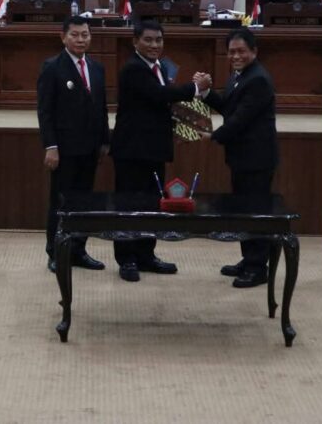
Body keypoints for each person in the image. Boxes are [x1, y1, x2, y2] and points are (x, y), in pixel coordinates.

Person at [109, 21, 208, 282]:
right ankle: (127, 259)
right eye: (149, 40)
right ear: (135, 42)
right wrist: (195, 88)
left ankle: (146, 255)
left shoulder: (160, 67)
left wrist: (186, 127)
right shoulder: (133, 68)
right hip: (131, 151)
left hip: (153, 149)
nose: (155, 45)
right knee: (128, 207)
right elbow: (160, 95)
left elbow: (163, 105)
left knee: (152, 204)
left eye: (159, 40)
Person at [201, 28, 278, 288]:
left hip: (257, 159)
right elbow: (228, 107)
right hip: (242, 157)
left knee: (255, 212)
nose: (235, 56)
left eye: (241, 51)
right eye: (231, 52)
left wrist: (212, 136)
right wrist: (206, 93)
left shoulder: (258, 79)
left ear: (254, 51)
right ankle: (249, 259)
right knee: (244, 211)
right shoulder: (239, 75)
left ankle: (258, 267)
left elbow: (240, 120)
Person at [37, 15, 109, 273]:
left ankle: (78, 250)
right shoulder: (52, 67)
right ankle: (56, 252)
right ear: (63, 37)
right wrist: (50, 146)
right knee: (61, 202)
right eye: (75, 35)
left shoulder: (97, 68)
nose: (81, 39)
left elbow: (101, 107)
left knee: (84, 202)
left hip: (90, 148)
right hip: (64, 149)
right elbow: (45, 111)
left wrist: (104, 140)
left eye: (85, 35)